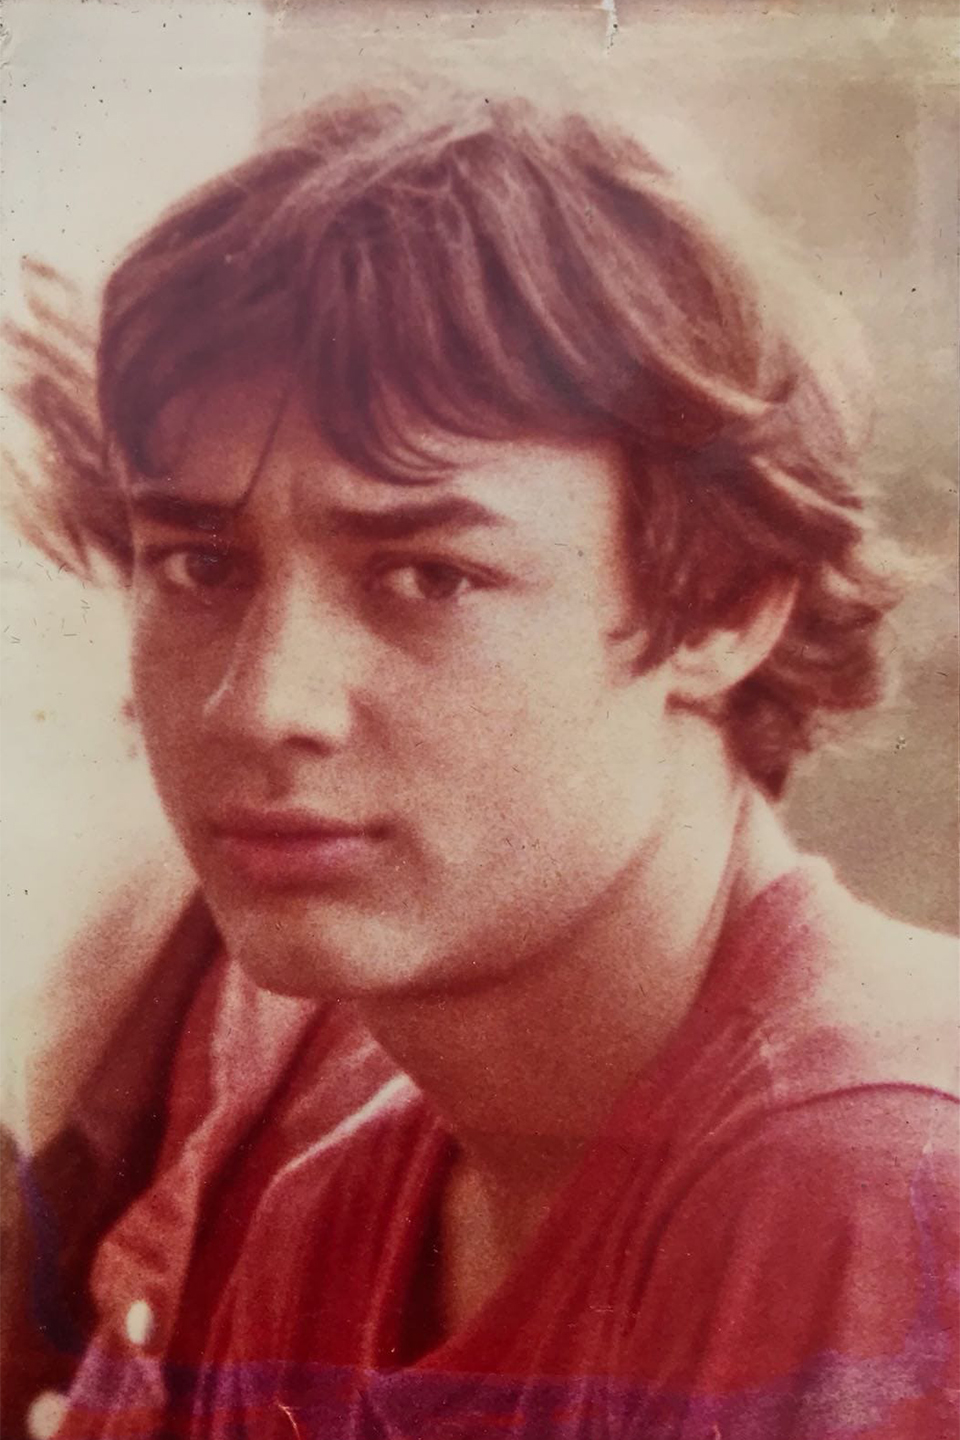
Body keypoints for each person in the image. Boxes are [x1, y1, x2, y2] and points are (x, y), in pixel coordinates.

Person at [4, 82, 957, 1439]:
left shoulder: (884, 1177)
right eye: (201, 566)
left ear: (724, 606)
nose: (264, 701)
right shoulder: (328, 1216)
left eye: (428, 576)